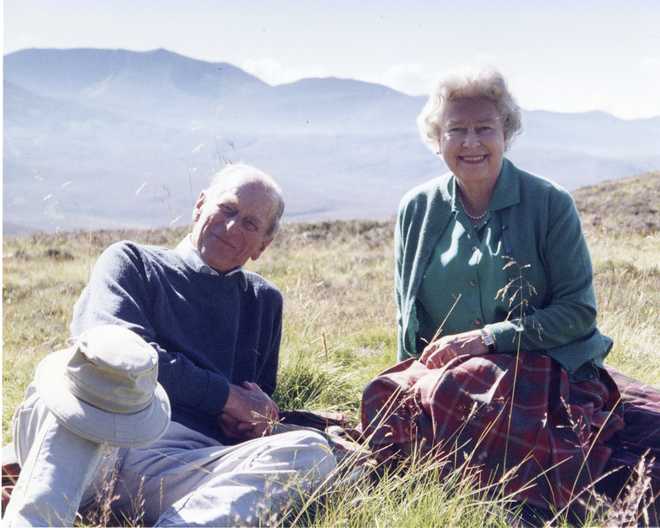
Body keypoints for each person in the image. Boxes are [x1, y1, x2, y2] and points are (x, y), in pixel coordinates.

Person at [361, 69, 659, 515]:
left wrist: (486, 339)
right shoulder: (417, 208)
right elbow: (409, 314)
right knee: (383, 398)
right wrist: (411, 373)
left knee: (457, 392)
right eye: (455, 130)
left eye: (485, 128)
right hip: (449, 371)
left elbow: (578, 313)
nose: (471, 143)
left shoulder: (549, 203)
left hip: (540, 362)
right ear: (436, 139)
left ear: (507, 133)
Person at [5, 164, 336, 527]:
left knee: (312, 452)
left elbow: (250, 403)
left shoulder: (262, 300)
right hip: (92, 438)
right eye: (227, 210)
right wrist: (226, 397)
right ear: (199, 206)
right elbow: (113, 353)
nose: (231, 228)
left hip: (178, 466)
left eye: (250, 224)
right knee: (71, 378)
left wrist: (253, 423)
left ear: (263, 246)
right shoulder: (131, 260)